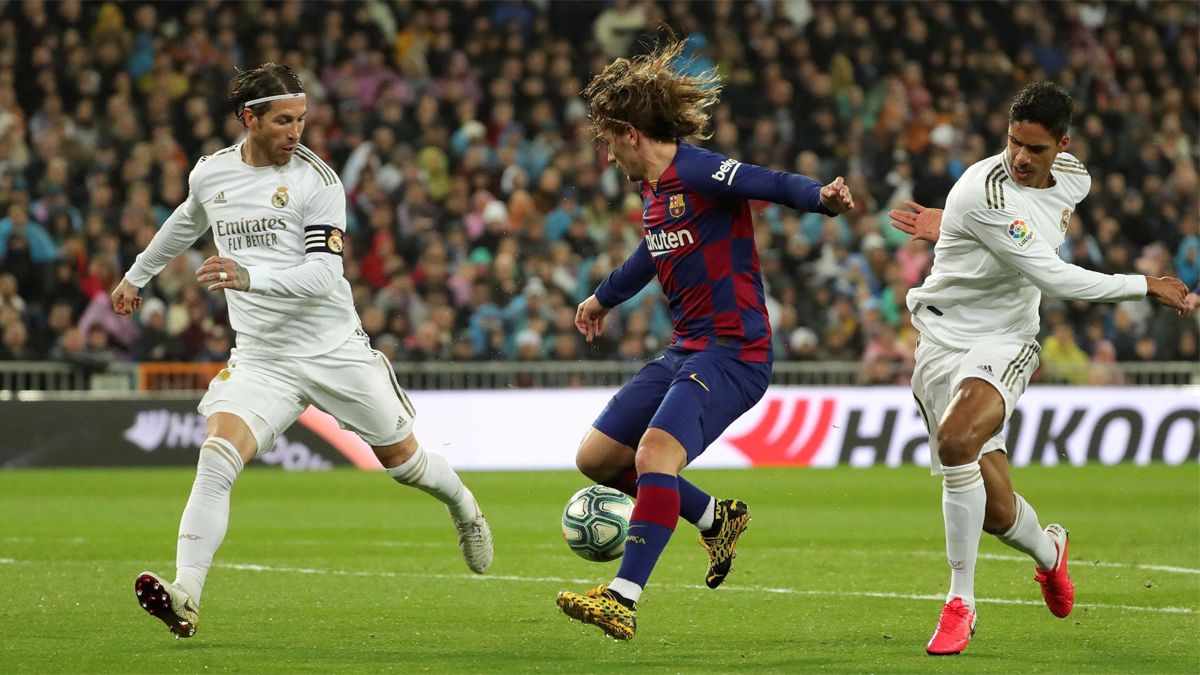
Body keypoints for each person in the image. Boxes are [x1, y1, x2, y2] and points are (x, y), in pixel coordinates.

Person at [111, 63, 493, 639]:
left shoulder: (318, 182)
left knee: (407, 465)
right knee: (215, 459)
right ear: (250, 119)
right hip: (263, 356)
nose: (297, 131)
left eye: (302, 119)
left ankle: (464, 506)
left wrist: (248, 276)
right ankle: (185, 593)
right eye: (284, 120)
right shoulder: (212, 174)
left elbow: (322, 276)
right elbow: (186, 221)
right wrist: (137, 277)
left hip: (333, 349)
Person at [555, 40, 854, 641]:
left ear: (631, 133)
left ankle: (623, 598)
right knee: (597, 459)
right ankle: (716, 518)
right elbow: (650, 252)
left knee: (653, 456)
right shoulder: (654, 190)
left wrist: (820, 198)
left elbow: (764, 181)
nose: (608, 158)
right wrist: (603, 297)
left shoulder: (698, 170)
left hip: (734, 351)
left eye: (610, 143)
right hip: (687, 348)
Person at [888, 81, 1190, 656]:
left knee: (956, 441)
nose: (1021, 158)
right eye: (1013, 143)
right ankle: (1051, 552)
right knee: (995, 513)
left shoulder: (1075, 178)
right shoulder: (984, 192)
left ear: (1063, 146)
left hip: (1006, 339)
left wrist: (953, 226)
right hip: (940, 341)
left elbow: (1043, 257)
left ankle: (960, 603)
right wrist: (1144, 284)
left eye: (1035, 148)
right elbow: (1055, 275)